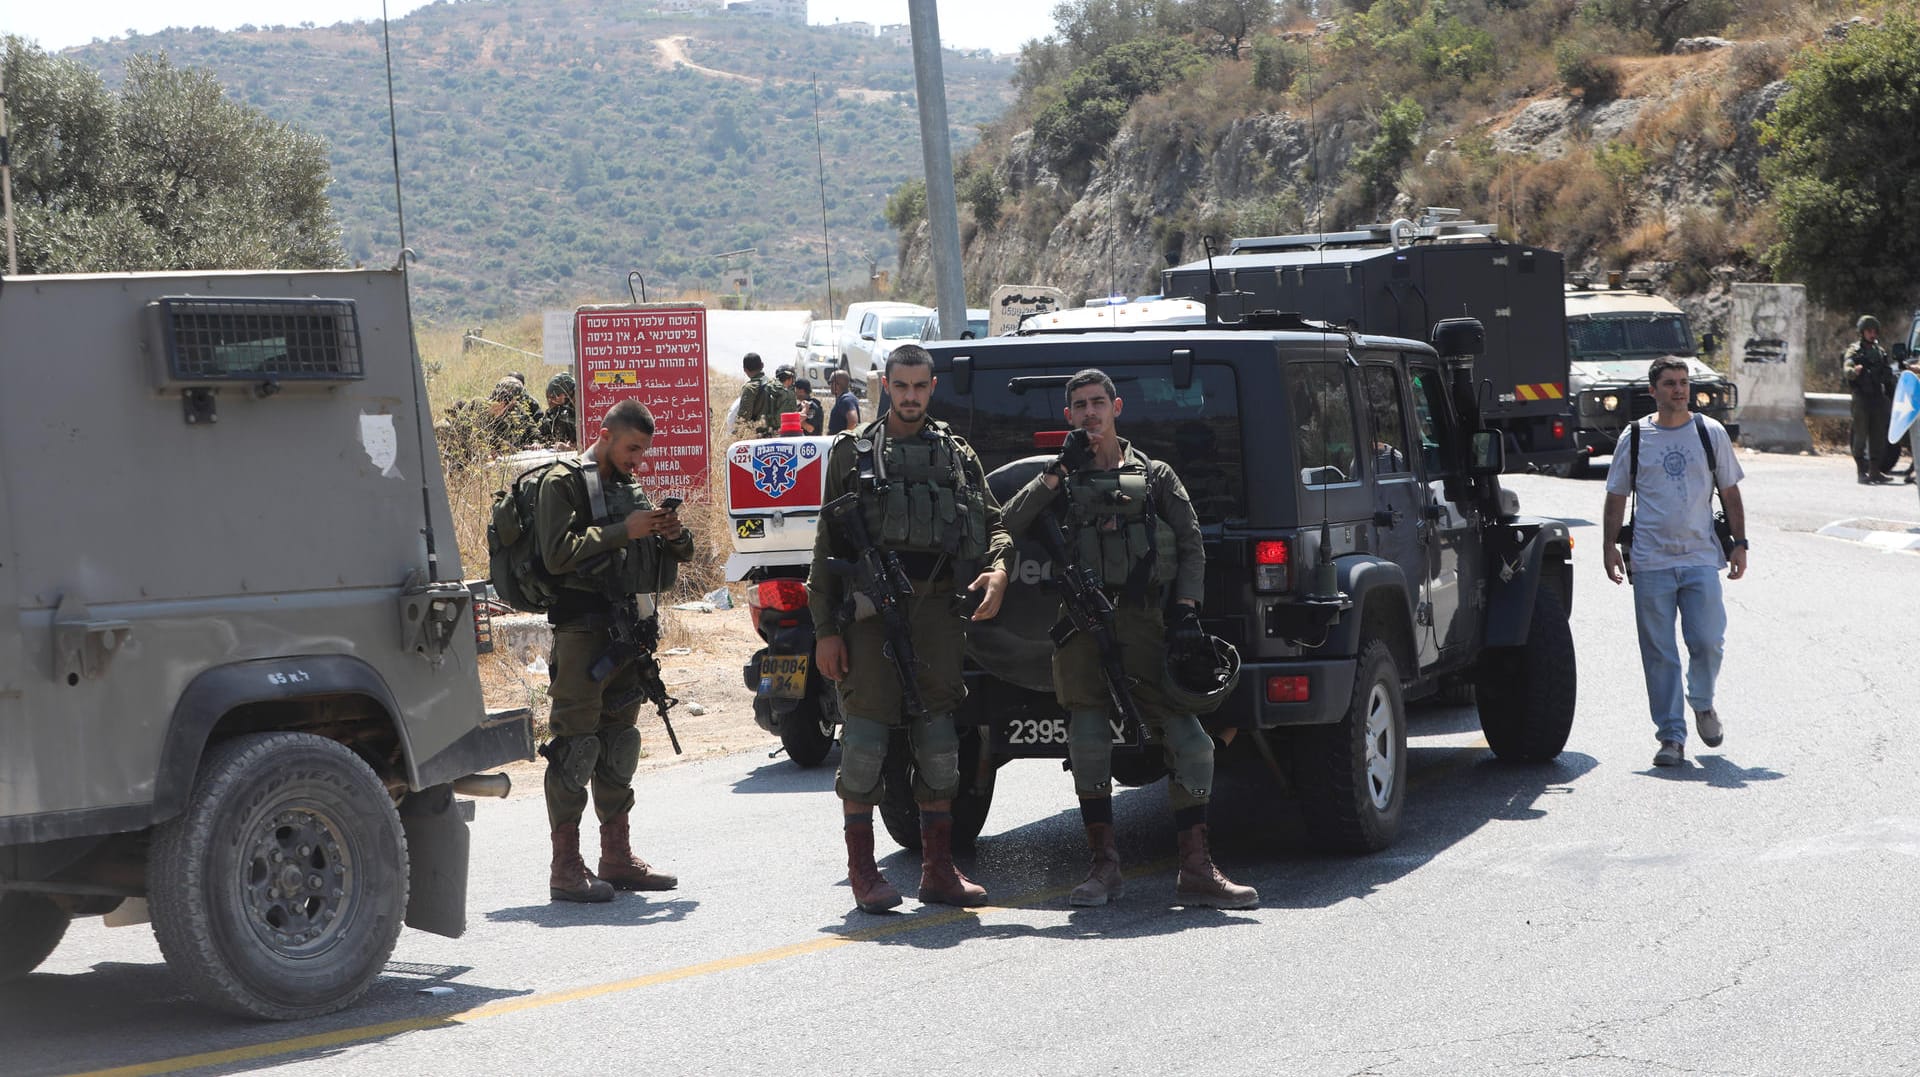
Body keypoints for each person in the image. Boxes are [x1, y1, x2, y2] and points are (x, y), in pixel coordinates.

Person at [1001, 369, 1258, 910]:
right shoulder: (1062, 479)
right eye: (1079, 406)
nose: (1090, 414)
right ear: (1067, 414)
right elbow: (1007, 521)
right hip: (1080, 632)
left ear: (1116, 407)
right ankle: (1103, 867)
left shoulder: (1156, 475)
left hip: (1147, 628)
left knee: (1192, 744)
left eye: (1098, 403)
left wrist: (1186, 611)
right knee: (1089, 744)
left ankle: (1196, 867)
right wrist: (1055, 473)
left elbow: (1191, 544)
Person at [807, 344, 1012, 913]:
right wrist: (825, 629)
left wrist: (997, 570)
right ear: (886, 384)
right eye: (901, 386)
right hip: (871, 616)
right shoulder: (854, 453)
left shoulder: (955, 454)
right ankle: (863, 872)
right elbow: (827, 548)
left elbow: (994, 523)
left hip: (939, 613)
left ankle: (938, 869)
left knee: (940, 742)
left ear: (933, 386)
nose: (911, 397)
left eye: (921, 387)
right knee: (867, 741)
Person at [534, 398, 695, 901]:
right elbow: (557, 553)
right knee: (575, 747)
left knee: (619, 744)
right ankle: (566, 867)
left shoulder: (629, 485)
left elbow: (670, 553)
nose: (637, 460)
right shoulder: (561, 482)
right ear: (604, 433)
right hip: (583, 634)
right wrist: (624, 529)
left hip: (629, 634)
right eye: (631, 449)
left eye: (643, 452)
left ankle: (616, 857)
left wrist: (670, 533)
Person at [1602, 357, 1748, 768]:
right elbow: (1615, 497)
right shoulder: (1634, 437)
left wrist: (1740, 543)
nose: (1679, 390)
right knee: (1659, 652)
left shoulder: (1709, 432)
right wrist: (1609, 546)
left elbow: (1730, 493)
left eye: (1684, 383)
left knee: (1707, 641)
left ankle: (1702, 702)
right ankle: (1671, 736)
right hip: (1650, 561)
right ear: (1653, 390)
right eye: (1669, 384)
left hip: (1701, 556)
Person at [1844, 315, 1900, 484]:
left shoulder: (1880, 351)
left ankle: (1875, 471)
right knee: (1860, 436)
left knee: (1878, 436)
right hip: (1861, 398)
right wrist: (1854, 371)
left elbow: (1888, 373)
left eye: (1874, 331)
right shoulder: (1855, 351)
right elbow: (1847, 368)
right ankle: (1861, 471)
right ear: (1862, 332)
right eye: (1869, 331)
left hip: (1877, 398)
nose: (1872, 334)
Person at [734, 353, 795, 439]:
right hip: (777, 436)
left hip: (758, 437)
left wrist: (736, 436)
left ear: (745, 370)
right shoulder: (776, 384)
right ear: (762, 365)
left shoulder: (750, 388)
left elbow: (743, 417)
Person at [484, 375, 541, 452]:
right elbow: (484, 435)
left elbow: (530, 425)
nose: (515, 402)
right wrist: (502, 444)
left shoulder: (516, 407)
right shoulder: (484, 408)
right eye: (513, 399)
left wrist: (535, 441)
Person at [541, 371, 578, 447]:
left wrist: (573, 446)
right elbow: (543, 432)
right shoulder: (558, 409)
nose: (550, 401)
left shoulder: (585, 409)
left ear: (568, 393)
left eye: (553, 397)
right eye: (548, 397)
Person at [827, 369, 861, 434]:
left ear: (836, 384)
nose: (830, 385)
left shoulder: (846, 400)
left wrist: (845, 439)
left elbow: (853, 422)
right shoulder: (844, 398)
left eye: (830, 382)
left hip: (841, 442)